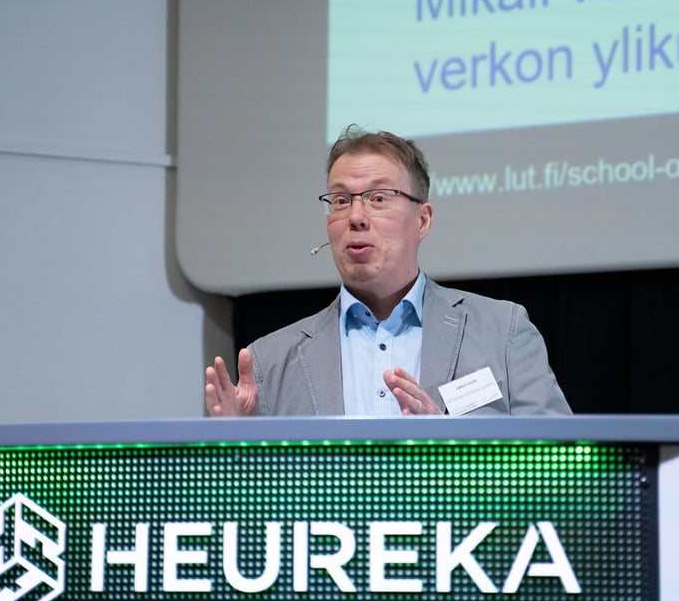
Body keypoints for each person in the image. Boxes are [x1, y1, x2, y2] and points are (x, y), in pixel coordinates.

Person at [205, 125, 571, 417]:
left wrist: (452, 449)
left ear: (423, 220)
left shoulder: (502, 332)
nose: (355, 216)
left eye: (378, 199)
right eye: (340, 200)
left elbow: (561, 466)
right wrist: (236, 449)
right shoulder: (271, 362)